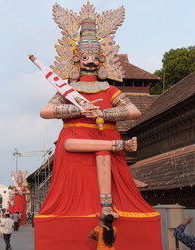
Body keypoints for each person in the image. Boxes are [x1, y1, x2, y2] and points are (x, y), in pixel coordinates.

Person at [32, 1, 162, 249]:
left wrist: (103, 111)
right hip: (76, 143)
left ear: (102, 59)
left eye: (94, 57)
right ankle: (117, 148)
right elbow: (45, 111)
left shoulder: (110, 89)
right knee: (80, 152)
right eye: (84, 57)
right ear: (76, 59)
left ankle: (107, 206)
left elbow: (132, 111)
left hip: (103, 136)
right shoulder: (68, 91)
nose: (90, 61)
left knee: (103, 151)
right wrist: (76, 108)